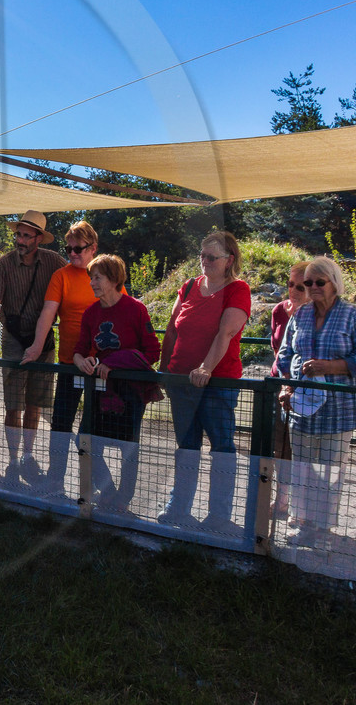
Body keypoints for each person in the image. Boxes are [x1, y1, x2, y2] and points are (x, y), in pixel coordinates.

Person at [275, 257, 356, 547]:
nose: (313, 287)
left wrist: (329, 367)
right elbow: (285, 355)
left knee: (329, 471)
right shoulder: (300, 316)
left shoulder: (351, 315)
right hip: (301, 406)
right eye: (308, 283)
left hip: (337, 408)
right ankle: (303, 524)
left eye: (320, 282)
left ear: (334, 283)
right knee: (303, 468)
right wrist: (288, 385)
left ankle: (323, 529)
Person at [158, 230, 252, 534]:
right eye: (202, 255)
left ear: (229, 260)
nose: (205, 261)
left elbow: (225, 333)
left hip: (217, 382)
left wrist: (206, 368)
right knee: (186, 446)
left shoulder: (238, 290)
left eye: (212, 257)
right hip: (181, 381)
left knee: (222, 446)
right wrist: (163, 370)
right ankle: (179, 507)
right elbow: (172, 329)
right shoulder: (188, 287)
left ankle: (219, 516)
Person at [0, 210, 66, 484]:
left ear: (39, 239)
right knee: (13, 404)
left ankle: (27, 454)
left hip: (44, 341)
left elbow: (77, 279)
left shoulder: (54, 262)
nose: (21, 240)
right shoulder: (2, 266)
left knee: (35, 403)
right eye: (18, 234)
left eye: (27, 235)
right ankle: (13, 458)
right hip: (13, 339)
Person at [73, 254, 159, 513]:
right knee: (85, 440)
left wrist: (116, 363)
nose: (92, 283)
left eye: (97, 277)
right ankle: (109, 491)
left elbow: (152, 352)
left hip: (131, 393)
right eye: (91, 278)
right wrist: (83, 362)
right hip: (101, 391)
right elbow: (78, 350)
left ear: (113, 279)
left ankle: (123, 499)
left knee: (128, 447)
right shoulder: (90, 313)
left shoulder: (136, 309)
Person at [22, 221, 100, 494]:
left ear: (93, 248)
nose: (72, 254)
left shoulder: (105, 274)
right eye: (68, 249)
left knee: (95, 427)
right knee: (60, 424)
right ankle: (55, 480)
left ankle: (100, 487)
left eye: (78, 249)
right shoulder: (62, 276)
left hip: (102, 367)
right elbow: (48, 313)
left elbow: (122, 309)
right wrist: (35, 347)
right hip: (70, 362)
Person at [266, 262, 310, 523]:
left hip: (306, 391)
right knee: (280, 448)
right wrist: (285, 383)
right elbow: (278, 351)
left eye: (300, 286)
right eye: (290, 284)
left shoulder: (319, 315)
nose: (293, 290)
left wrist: (294, 385)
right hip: (281, 388)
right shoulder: (279, 311)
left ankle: (302, 507)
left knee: (304, 450)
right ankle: (281, 500)